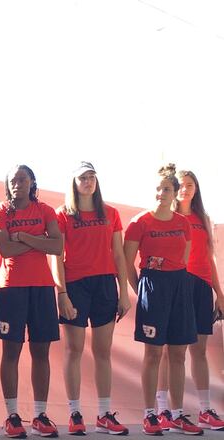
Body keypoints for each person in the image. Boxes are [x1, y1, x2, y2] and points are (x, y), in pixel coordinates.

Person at [51, 162, 130, 436]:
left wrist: (124, 293)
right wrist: (61, 293)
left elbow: (119, 255)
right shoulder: (63, 214)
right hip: (75, 286)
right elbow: (56, 257)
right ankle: (74, 413)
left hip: (105, 285)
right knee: (74, 350)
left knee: (103, 351)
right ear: (74, 182)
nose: (88, 182)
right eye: (83, 177)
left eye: (92, 177)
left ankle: (104, 414)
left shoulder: (111, 213)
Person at [123, 163, 200, 436]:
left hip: (179, 285)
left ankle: (177, 415)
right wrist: (141, 288)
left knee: (178, 353)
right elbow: (126, 261)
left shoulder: (183, 224)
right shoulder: (139, 222)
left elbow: (184, 258)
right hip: (152, 287)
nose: (161, 193)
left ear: (175, 193)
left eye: (167, 189)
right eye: (158, 188)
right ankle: (150, 415)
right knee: (153, 353)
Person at [0, 164, 62, 439]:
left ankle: (40, 415)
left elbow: (57, 246)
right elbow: (5, 248)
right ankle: (12, 416)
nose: (17, 183)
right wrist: (39, 240)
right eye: (12, 180)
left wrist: (25, 238)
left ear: (32, 182)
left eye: (23, 179)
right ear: (7, 185)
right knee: (11, 353)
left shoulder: (45, 211)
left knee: (41, 353)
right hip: (11, 288)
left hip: (42, 287)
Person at [153, 168, 224, 431]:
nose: (185, 189)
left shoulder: (203, 218)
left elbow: (210, 258)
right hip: (177, 284)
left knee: (200, 351)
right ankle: (164, 410)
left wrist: (219, 293)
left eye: (190, 185)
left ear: (196, 189)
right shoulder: (167, 216)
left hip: (202, 287)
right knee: (172, 352)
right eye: (181, 185)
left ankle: (205, 410)